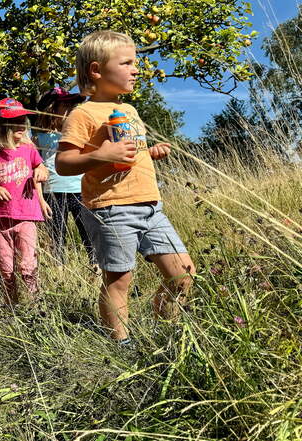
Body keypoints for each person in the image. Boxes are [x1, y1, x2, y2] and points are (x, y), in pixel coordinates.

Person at [56, 30, 195, 344]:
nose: (136, 69)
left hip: (150, 204)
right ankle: (121, 343)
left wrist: (151, 151)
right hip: (111, 208)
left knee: (183, 272)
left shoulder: (130, 112)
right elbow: (64, 162)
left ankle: (163, 324)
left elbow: (130, 153)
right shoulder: (83, 113)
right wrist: (99, 154)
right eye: (127, 63)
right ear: (96, 70)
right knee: (119, 280)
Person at [0, 98, 52, 303]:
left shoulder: (29, 149)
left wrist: (42, 194)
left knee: (27, 264)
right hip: (1, 217)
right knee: (5, 266)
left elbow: (39, 168)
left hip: (27, 214)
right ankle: (13, 304)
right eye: (14, 121)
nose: (21, 125)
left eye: (23, 120)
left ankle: (36, 303)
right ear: (1, 125)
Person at [35, 87, 96, 268]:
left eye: (73, 104)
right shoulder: (39, 137)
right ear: (53, 108)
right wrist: (40, 198)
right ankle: (59, 273)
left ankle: (97, 271)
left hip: (80, 191)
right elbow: (35, 168)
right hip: (53, 192)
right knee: (57, 237)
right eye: (66, 105)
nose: (71, 109)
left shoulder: (79, 133)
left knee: (89, 236)